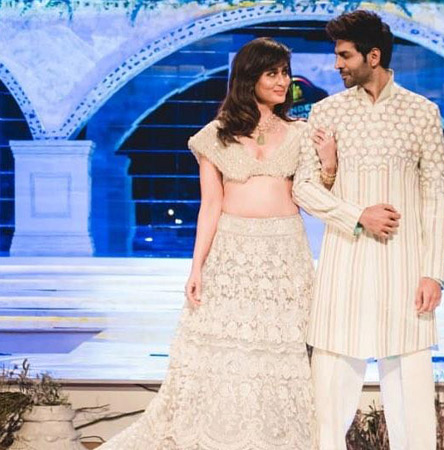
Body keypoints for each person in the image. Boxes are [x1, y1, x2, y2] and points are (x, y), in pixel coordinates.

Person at [101, 37, 334, 450]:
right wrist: (197, 268)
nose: (283, 82)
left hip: (284, 256)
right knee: (226, 355)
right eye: (273, 73)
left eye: (284, 72)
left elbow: (313, 197)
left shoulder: (301, 134)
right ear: (249, 78)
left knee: (279, 353)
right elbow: (210, 206)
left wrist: (329, 162)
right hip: (232, 254)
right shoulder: (216, 136)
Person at [293, 10, 444, 450]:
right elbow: (304, 188)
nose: (336, 65)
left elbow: (436, 196)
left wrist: (432, 273)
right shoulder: (326, 113)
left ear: (373, 55)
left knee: (412, 397)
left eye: (344, 55)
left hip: (405, 268)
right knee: (329, 396)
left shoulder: (422, 112)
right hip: (346, 264)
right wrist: (357, 214)